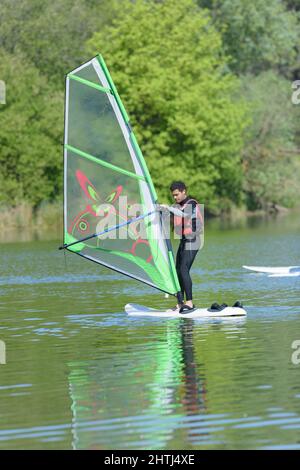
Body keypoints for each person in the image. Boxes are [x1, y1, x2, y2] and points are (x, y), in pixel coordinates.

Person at [159, 181, 203, 313]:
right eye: (173, 195)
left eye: (177, 195)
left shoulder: (192, 203)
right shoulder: (177, 206)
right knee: (177, 270)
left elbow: (185, 215)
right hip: (184, 241)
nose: (175, 197)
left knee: (184, 269)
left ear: (184, 191)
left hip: (193, 240)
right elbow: (172, 218)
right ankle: (180, 303)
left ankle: (189, 302)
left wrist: (168, 208)